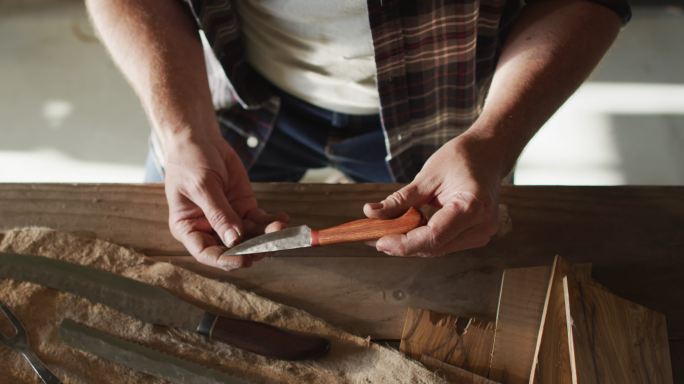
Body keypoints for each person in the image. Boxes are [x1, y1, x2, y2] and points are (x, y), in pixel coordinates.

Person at [86, 0, 630, 270]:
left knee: (462, 261)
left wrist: (492, 142)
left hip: (451, 118)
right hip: (229, 101)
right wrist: (181, 131)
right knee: (173, 252)